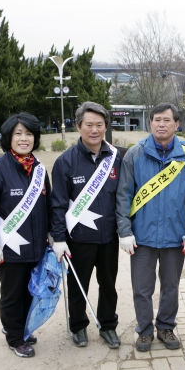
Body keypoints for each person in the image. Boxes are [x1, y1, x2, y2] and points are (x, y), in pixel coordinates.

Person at [115, 103, 185, 352]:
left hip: (176, 236)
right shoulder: (135, 154)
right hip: (141, 238)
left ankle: (166, 327)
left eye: (167, 120)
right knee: (142, 289)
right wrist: (124, 230)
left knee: (170, 287)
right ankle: (144, 331)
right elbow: (123, 194)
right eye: (157, 119)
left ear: (177, 124)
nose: (161, 124)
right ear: (150, 123)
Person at [0, 112, 52, 358]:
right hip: (10, 248)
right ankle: (15, 337)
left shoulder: (38, 168)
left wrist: (51, 234)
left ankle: (23, 330)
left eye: (29, 134)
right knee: (12, 294)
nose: (24, 139)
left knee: (31, 290)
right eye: (18, 134)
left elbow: (47, 205)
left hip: (36, 246)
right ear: (9, 137)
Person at [50, 102, 122, 349]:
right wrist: (58, 239)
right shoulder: (65, 162)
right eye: (89, 125)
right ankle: (78, 326)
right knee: (78, 285)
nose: (94, 130)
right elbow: (57, 204)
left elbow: (123, 196)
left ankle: (108, 326)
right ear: (78, 126)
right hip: (78, 239)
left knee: (108, 284)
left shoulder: (116, 158)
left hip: (110, 237)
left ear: (105, 127)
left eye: (99, 125)